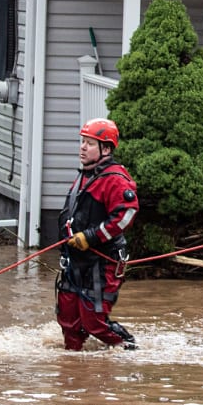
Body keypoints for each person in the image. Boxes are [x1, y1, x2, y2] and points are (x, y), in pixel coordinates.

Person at [56, 117, 140, 351]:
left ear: (106, 148)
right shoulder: (85, 175)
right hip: (76, 260)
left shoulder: (114, 179)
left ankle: (127, 348)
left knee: (94, 322)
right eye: (82, 142)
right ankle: (74, 370)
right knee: (69, 320)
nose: (82, 147)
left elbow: (126, 215)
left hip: (103, 261)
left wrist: (90, 237)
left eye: (89, 143)